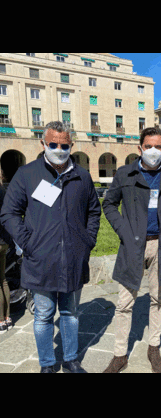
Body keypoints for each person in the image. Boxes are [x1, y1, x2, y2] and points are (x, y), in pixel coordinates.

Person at [0, 121, 101, 373]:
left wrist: (87, 241)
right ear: (43, 143)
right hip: (40, 259)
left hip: (74, 259)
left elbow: (94, 211)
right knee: (44, 315)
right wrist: (27, 242)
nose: (58, 149)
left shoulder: (83, 176)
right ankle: (47, 363)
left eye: (64, 145)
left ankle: (70, 359)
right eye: (53, 144)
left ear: (71, 145)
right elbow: (9, 213)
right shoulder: (27, 175)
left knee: (70, 312)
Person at [102, 127, 161, 373]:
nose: (153, 150)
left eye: (158, 146)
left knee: (157, 300)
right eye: (148, 146)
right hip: (132, 246)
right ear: (140, 147)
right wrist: (123, 230)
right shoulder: (125, 174)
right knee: (124, 303)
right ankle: (120, 354)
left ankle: (154, 347)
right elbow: (109, 204)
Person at [0, 179, 13, 334]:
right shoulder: (3, 190)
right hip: (5, 241)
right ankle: (8, 318)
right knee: (2, 280)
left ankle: (1, 321)